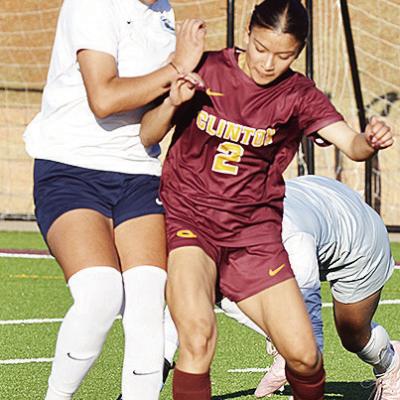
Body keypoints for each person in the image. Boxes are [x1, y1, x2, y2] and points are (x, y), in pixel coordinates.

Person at [139, 0, 394, 398]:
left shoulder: (299, 95)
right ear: (247, 35)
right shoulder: (206, 69)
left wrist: (369, 140)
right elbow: (148, 136)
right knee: (198, 336)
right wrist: (172, 100)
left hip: (254, 236)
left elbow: (352, 144)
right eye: (260, 48)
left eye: (283, 55)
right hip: (191, 221)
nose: (267, 63)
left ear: (299, 52)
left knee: (305, 357)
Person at [23, 0, 205, 399]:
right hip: (71, 166)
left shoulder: (163, 11)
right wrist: (177, 66)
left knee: (148, 298)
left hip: (139, 171)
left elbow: (152, 119)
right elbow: (103, 99)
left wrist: (180, 92)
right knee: (101, 293)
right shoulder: (90, 5)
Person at [217, 176, 399, 399]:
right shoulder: (221, 223)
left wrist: (300, 371)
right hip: (320, 212)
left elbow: (309, 330)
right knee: (223, 285)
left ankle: (391, 365)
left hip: (357, 242)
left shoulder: (293, 238)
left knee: (353, 334)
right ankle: (285, 350)